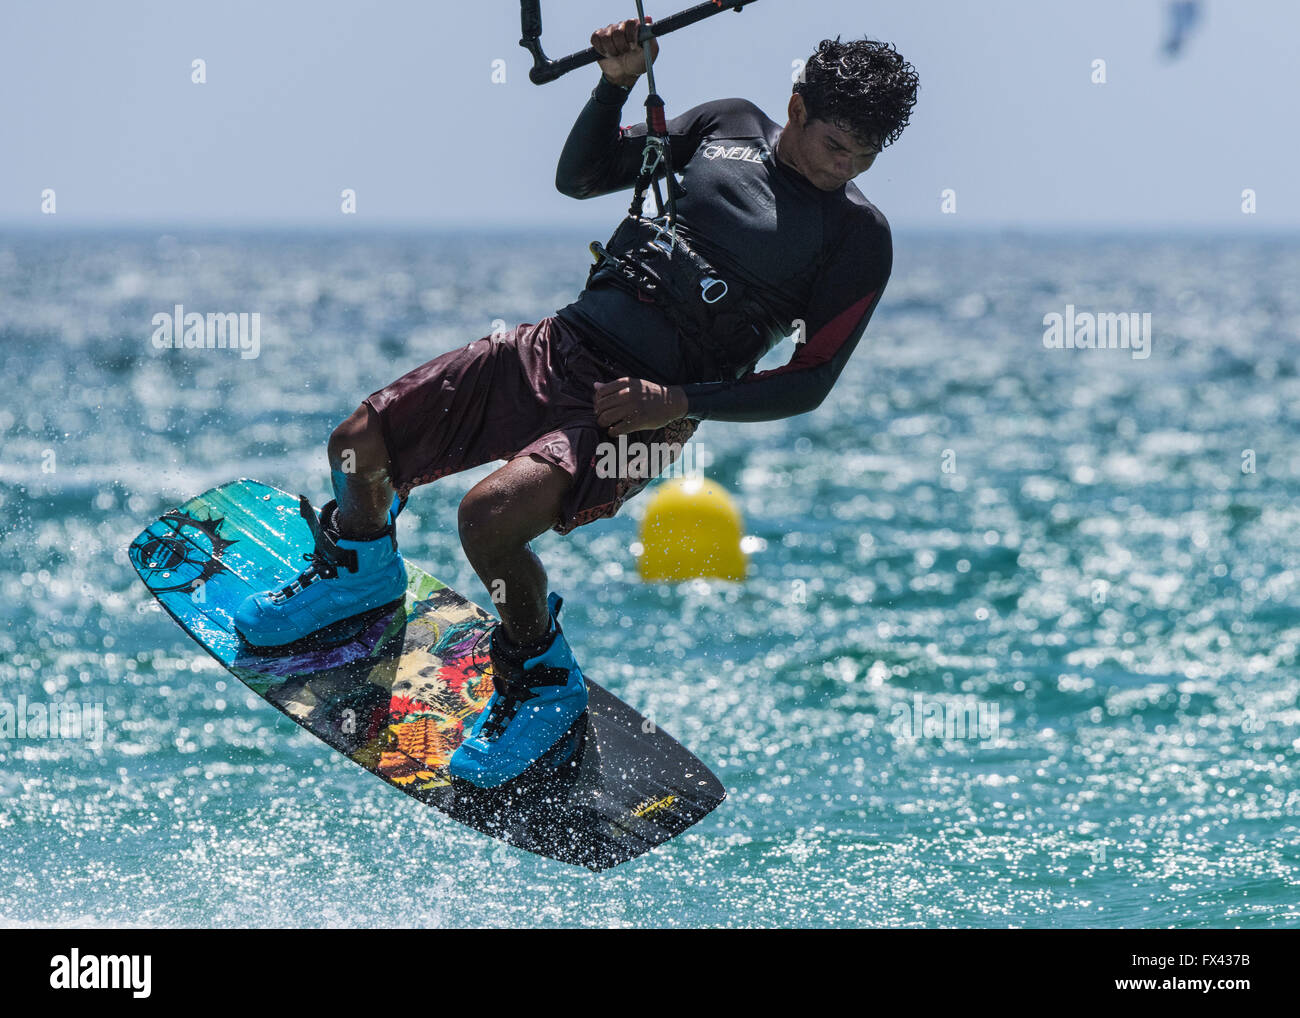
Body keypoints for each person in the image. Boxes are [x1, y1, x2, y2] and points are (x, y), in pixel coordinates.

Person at [233, 19, 918, 788]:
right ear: (796, 108)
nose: (847, 168)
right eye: (837, 146)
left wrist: (677, 401)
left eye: (865, 156)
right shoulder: (725, 122)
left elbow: (812, 379)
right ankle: (359, 568)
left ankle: (541, 677)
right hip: (557, 346)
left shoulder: (858, 237)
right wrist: (615, 81)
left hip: (637, 414)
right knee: (357, 445)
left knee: (489, 519)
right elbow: (583, 177)